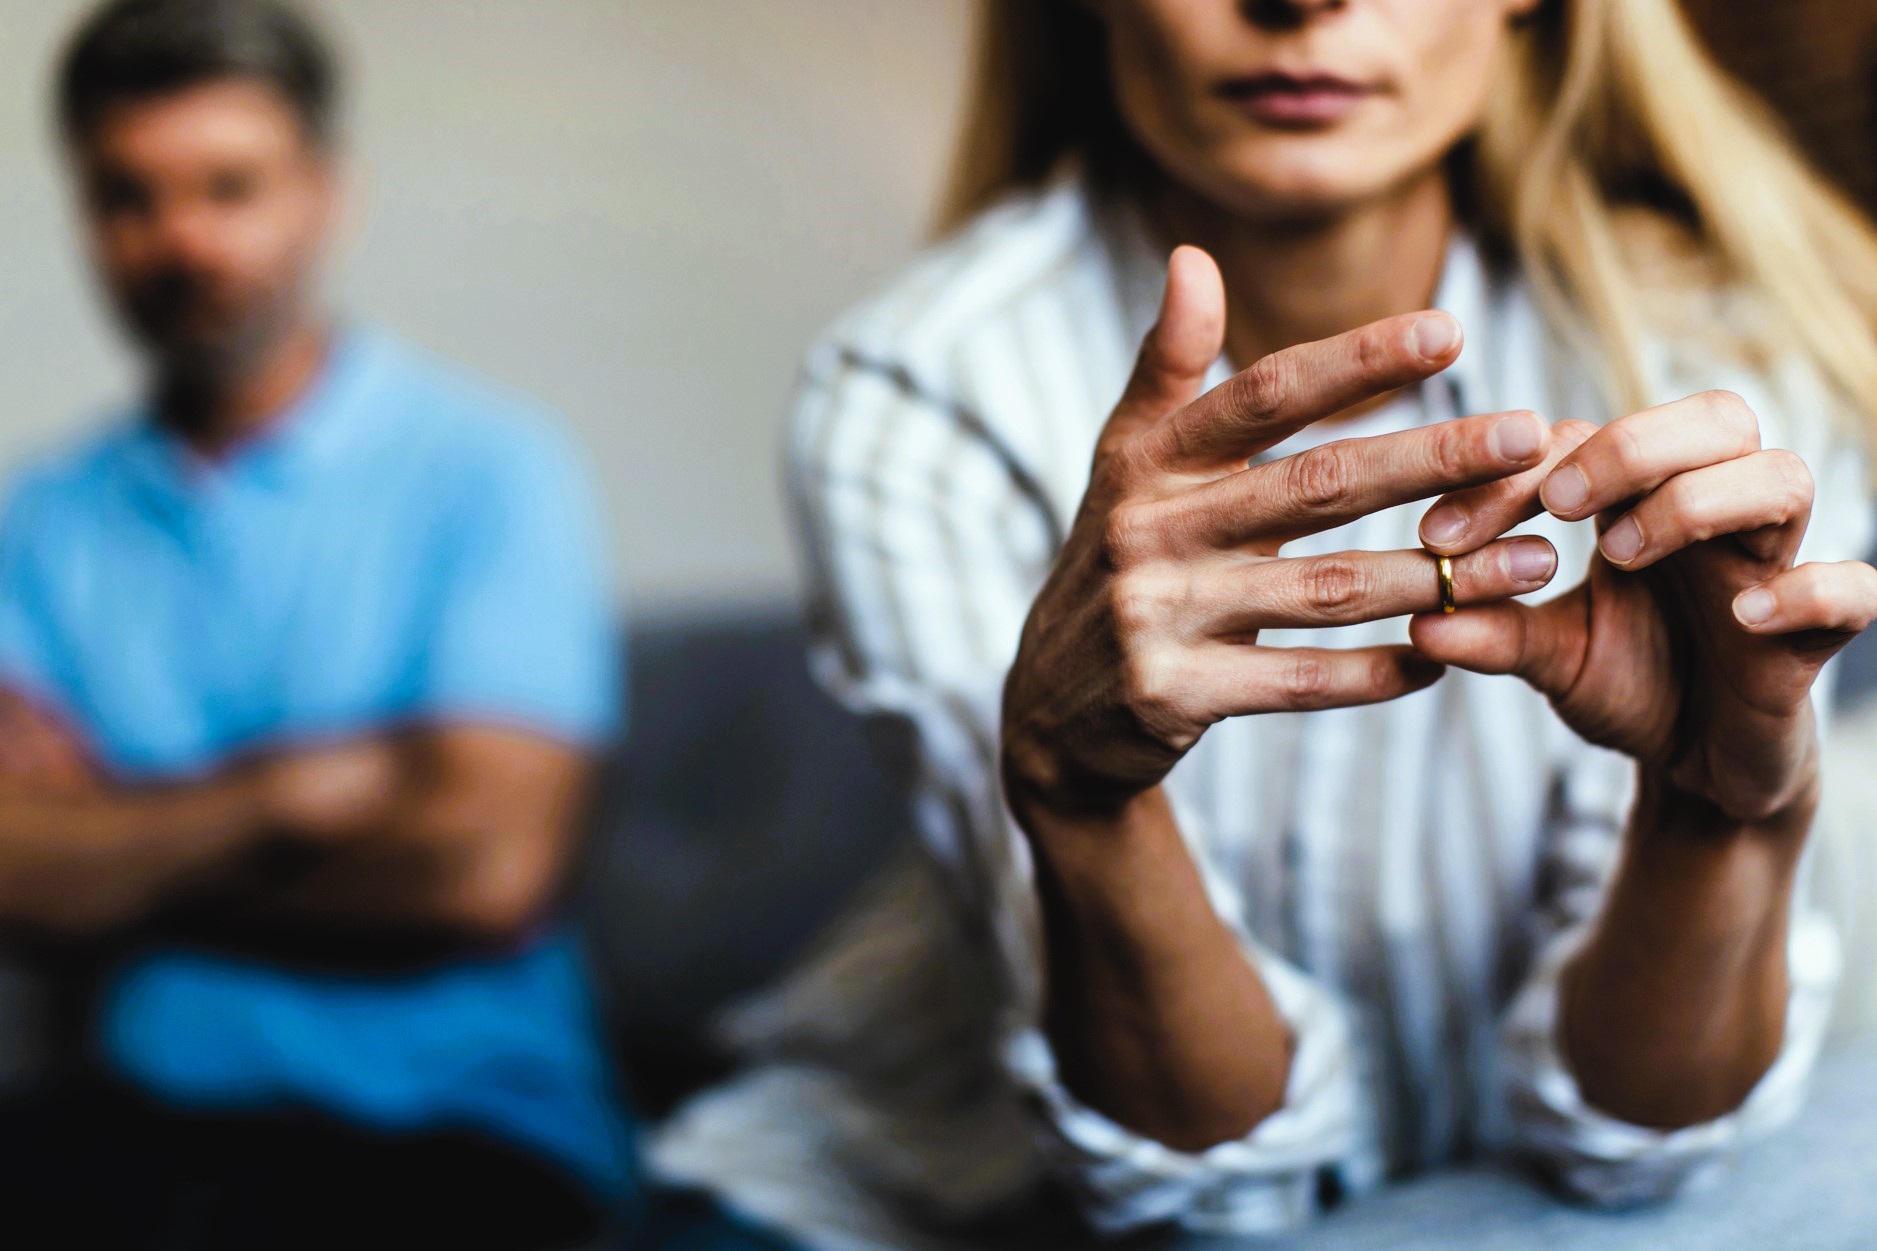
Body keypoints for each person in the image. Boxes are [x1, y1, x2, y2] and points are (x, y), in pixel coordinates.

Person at [650, 1, 1877, 1246]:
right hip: (930, 1209)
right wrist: (1074, 797)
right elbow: (1200, 1192)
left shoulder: (1730, 365)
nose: (1298, 2)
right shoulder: (917, 395)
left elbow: (1633, 1145)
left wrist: (1716, 816)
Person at [0, 1, 633, 1246]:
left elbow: (480, 868)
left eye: (229, 188)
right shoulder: (41, 519)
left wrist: (114, 856)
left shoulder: (489, 471)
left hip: (461, 1138)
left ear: (322, 195)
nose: (180, 239)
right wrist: (290, 799)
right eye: (130, 195)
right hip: (127, 1125)